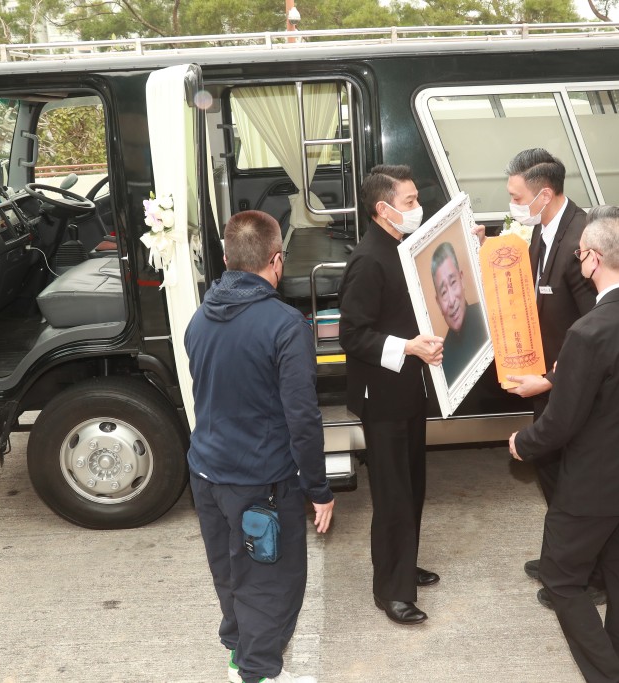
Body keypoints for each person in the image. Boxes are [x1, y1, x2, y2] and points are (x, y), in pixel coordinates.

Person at [509, 206, 619, 683]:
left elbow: (561, 422)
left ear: (591, 258)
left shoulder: (589, 331)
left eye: (579, 255)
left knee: (561, 579)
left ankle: (610, 677)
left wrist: (522, 443)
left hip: (593, 486)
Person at [185, 210, 335, 683]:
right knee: (273, 584)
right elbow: (303, 418)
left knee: (231, 573)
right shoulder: (285, 325)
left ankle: (238, 658)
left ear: (227, 257)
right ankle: (258, 673)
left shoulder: (199, 318)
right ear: (277, 259)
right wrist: (318, 489)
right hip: (260, 482)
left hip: (206, 474)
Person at [338, 164, 444, 626]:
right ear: (383, 209)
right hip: (381, 396)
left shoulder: (401, 246)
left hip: (408, 387)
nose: (418, 208)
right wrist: (408, 347)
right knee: (393, 494)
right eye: (410, 202)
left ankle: (404, 562)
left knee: (413, 484)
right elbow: (351, 335)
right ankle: (391, 592)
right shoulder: (369, 259)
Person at [500, 148, 598, 606]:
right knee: (553, 474)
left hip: (571, 383)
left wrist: (553, 382)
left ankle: (590, 576)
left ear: (544, 194)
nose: (513, 205)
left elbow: (596, 333)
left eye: (517, 197)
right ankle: (561, 558)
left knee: (578, 482)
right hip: (546, 374)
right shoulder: (543, 227)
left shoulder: (582, 240)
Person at [430, 241, 488, 385]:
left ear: (462, 280)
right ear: (438, 302)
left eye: (453, 282)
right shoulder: (442, 358)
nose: (451, 300)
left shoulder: (488, 318)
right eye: (444, 292)